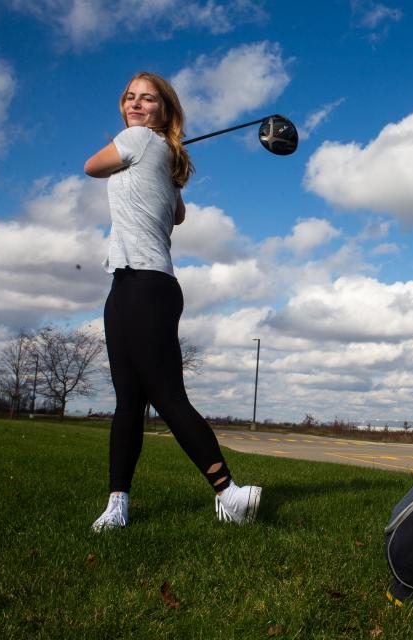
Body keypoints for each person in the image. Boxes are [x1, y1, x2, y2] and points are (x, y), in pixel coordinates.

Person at [84, 72, 260, 530]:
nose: (136, 104)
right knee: (128, 402)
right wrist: (166, 155)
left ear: (164, 110)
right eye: (129, 98)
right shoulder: (160, 156)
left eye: (147, 99)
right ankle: (117, 503)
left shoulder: (137, 139)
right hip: (132, 285)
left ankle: (228, 494)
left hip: (143, 285)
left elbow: (92, 166)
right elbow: (178, 214)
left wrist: (148, 143)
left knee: (166, 396)